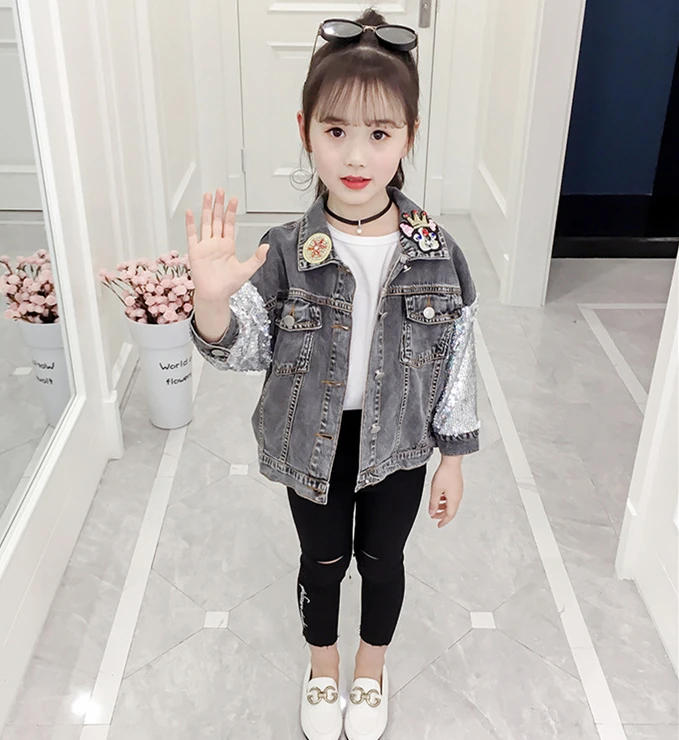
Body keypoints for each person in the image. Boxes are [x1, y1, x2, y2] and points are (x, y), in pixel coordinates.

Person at [185, 8, 480, 740]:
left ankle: (369, 669)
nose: (355, 154)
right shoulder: (285, 250)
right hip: (310, 442)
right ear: (305, 129)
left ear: (409, 136)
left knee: (383, 561)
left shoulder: (437, 251)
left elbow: (457, 357)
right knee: (322, 561)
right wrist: (212, 303)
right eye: (335, 129)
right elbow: (243, 347)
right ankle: (324, 665)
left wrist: (453, 456)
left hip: (401, 444)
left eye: (379, 133)